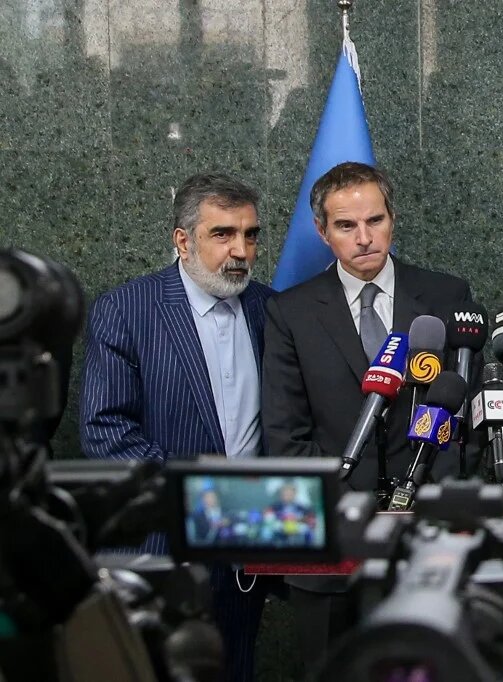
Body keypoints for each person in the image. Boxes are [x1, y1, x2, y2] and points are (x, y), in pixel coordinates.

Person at [261, 161, 475, 675]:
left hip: (426, 548)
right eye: (346, 226)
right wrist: (363, 517)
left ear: (392, 219)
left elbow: (467, 421)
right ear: (322, 231)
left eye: (374, 221)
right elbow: (286, 435)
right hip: (333, 550)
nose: (364, 238)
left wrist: (421, 510)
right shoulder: (289, 313)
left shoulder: (447, 298)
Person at [80, 172, 273, 682]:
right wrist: (207, 500)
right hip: (161, 547)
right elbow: (106, 431)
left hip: (248, 550)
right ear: (182, 240)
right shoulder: (125, 310)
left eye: (250, 235)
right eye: (222, 234)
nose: (240, 251)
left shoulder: (271, 310)